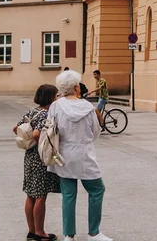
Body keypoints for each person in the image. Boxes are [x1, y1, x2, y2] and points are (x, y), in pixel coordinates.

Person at [48, 69, 112, 241]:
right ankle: (94, 232)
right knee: (97, 189)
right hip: (84, 153)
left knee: (68, 194)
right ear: (76, 87)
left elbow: (51, 130)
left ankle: (69, 235)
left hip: (63, 154)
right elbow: (95, 132)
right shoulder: (87, 107)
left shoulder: (56, 106)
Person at [14, 84, 60, 241]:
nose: (57, 98)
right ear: (50, 98)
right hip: (40, 158)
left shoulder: (32, 111)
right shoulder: (46, 114)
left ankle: (31, 231)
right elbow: (35, 134)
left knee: (30, 195)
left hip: (29, 157)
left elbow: (16, 128)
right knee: (41, 195)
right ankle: (40, 232)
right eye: (56, 96)